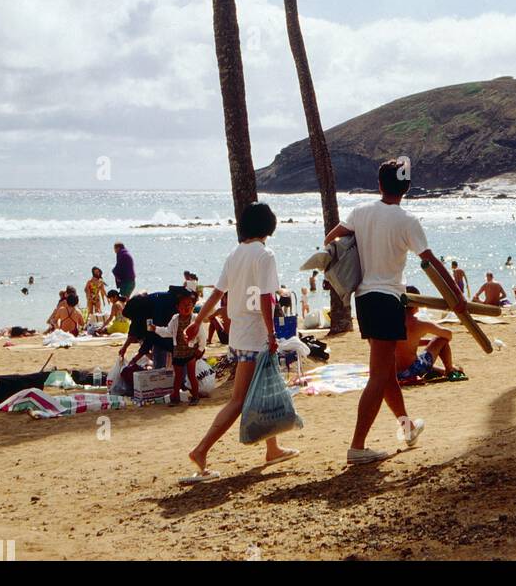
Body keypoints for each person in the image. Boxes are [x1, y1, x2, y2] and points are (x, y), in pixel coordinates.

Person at [325, 156, 467, 465]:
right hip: (387, 299)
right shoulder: (407, 221)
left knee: (386, 373)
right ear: (407, 187)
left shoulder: (360, 212)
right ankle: (357, 446)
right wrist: (457, 295)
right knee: (379, 376)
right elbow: (430, 260)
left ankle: (407, 426)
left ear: (379, 185)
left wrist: (343, 270)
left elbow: (330, 239)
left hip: (364, 299)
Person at [181, 203, 297, 480]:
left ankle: (273, 448)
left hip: (239, 334)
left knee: (265, 388)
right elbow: (267, 298)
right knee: (239, 399)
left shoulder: (235, 254)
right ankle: (201, 450)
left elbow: (217, 293)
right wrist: (271, 333)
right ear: (268, 226)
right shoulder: (265, 255)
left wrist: (198, 321)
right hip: (255, 335)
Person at [396, 289, 463, 384]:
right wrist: (434, 341)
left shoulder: (392, 321)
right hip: (414, 370)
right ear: (417, 303)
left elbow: (405, 342)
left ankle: (442, 370)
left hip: (395, 372)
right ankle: (449, 370)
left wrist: (428, 341)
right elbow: (448, 334)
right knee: (441, 339)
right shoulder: (419, 323)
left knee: (419, 359)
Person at [154, 288, 202, 404]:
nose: (187, 307)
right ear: (178, 307)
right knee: (178, 377)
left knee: (191, 375)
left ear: (193, 306)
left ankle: (195, 397)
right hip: (178, 352)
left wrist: (201, 349)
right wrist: (155, 329)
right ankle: (176, 397)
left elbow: (202, 335)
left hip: (191, 351)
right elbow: (168, 332)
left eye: (189, 305)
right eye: (184, 305)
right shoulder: (175, 319)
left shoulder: (195, 319)